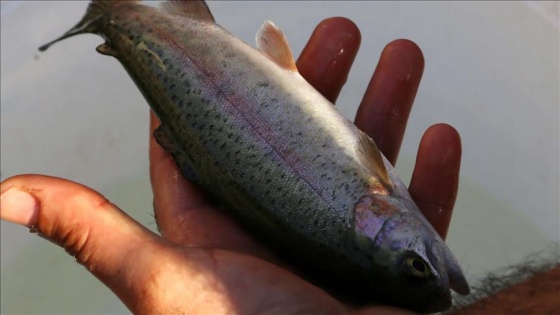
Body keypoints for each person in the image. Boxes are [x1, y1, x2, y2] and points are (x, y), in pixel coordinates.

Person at [0, 17, 465, 314]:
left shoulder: (377, 192)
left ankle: (117, 18)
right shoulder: (375, 204)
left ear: (373, 222)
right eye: (415, 267)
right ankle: (122, 20)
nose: (428, 263)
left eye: (417, 266)